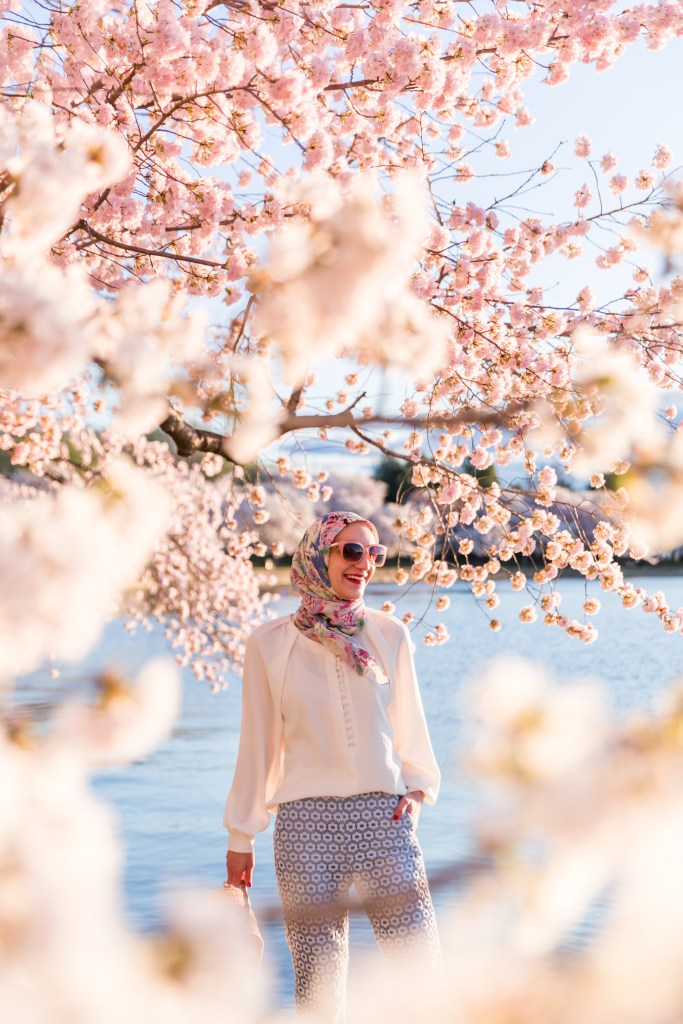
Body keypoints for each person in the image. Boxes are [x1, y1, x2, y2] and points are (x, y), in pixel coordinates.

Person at [224, 511, 441, 1021]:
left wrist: (416, 792)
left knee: (422, 972)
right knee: (319, 990)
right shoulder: (269, 644)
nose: (364, 564)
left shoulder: (390, 635)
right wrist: (241, 836)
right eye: (350, 550)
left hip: (383, 822)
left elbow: (411, 730)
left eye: (374, 553)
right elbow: (257, 744)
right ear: (318, 554)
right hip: (304, 828)